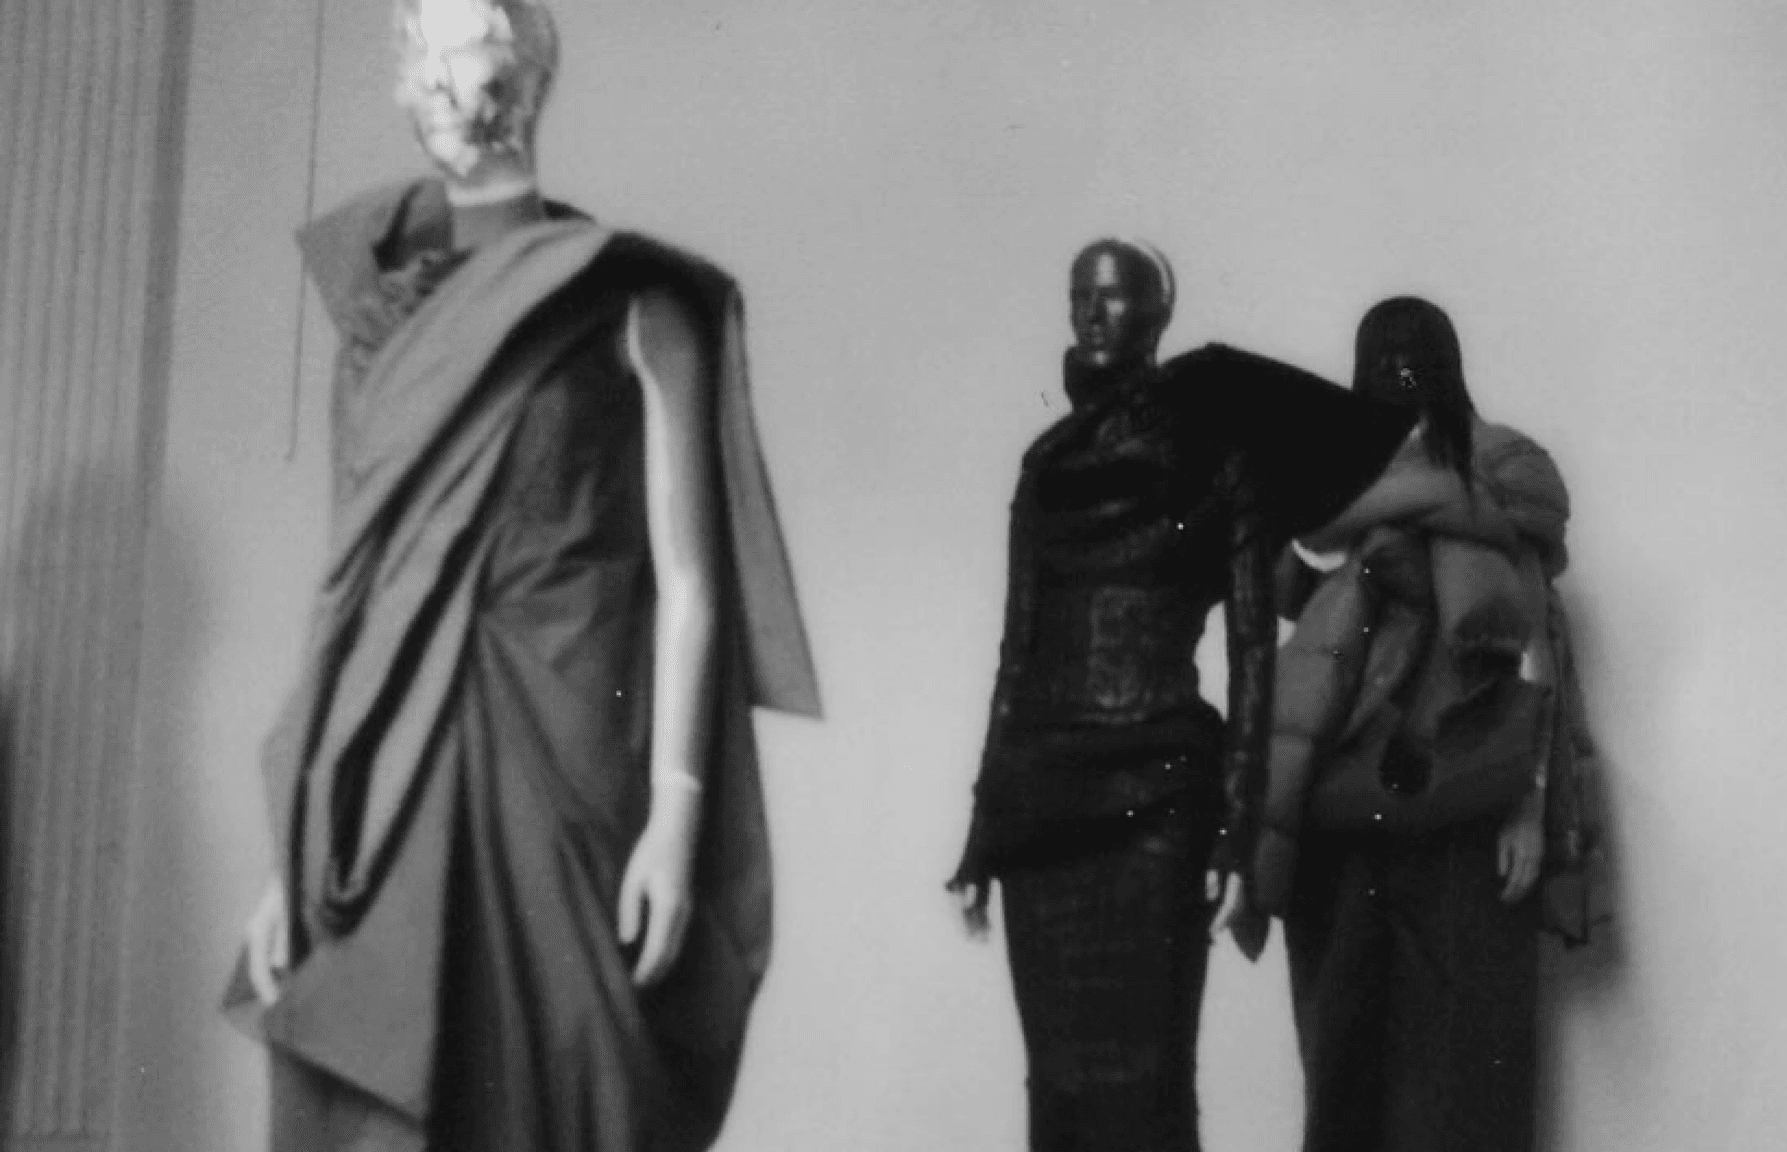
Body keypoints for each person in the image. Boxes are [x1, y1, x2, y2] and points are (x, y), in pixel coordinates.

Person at [222, 3, 819, 1150]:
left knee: (559, 1092)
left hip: (567, 753)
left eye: (475, 62)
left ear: (532, 79)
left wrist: (677, 814)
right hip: (398, 763)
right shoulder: (384, 319)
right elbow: (353, 586)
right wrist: (296, 846)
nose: (448, 92)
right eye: (425, 67)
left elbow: (691, 583)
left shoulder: (630, 299)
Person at [947, 240, 1412, 1151]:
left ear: (1158, 313)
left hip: (1156, 795)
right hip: (1043, 807)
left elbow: (1251, 653)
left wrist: (1239, 831)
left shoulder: (1214, 454)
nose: (1091, 312)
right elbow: (1018, 652)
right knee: (1062, 1090)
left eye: (1114, 296)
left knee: (1150, 1083)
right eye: (1079, 294)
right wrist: (981, 831)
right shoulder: (1045, 465)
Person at [1248, 296, 1599, 1152]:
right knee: (1344, 1067)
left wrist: (1528, 804)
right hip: (1344, 815)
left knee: (1464, 1078)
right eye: (1382, 357)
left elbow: (1531, 649)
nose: (1400, 370)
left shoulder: (1499, 475)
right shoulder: (1337, 496)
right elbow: (1322, 628)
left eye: (1417, 355)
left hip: (1463, 813)